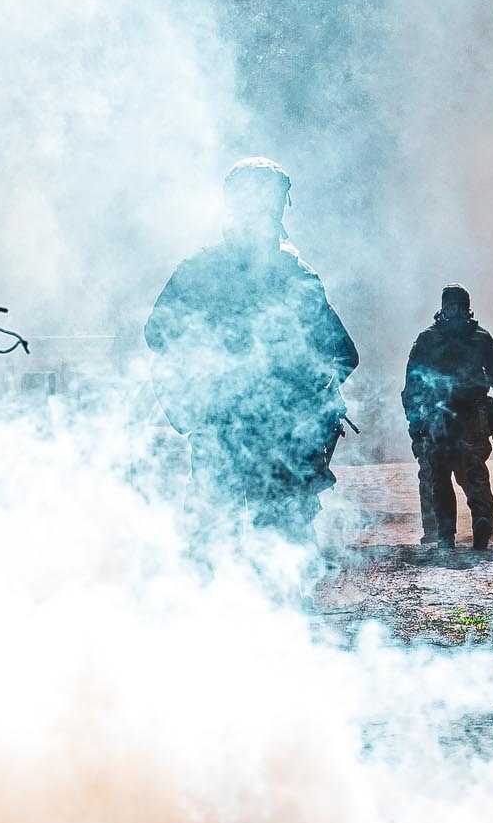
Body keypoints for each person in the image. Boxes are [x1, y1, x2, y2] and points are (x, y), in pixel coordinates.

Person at [144, 159, 359, 539]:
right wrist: (309, 400)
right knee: (274, 542)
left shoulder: (200, 271)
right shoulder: (296, 275)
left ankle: (226, 597)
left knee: (219, 539)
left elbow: (158, 336)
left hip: (231, 430)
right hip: (274, 435)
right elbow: (342, 354)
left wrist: (193, 399)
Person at [402, 285, 493, 550]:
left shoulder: (479, 338)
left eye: (459, 307)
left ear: (466, 308)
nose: (455, 311)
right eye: (451, 306)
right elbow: (413, 381)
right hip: (438, 416)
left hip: (469, 413)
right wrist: (414, 418)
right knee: (440, 476)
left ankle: (480, 522)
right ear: (444, 308)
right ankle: (446, 532)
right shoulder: (430, 340)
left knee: (472, 471)